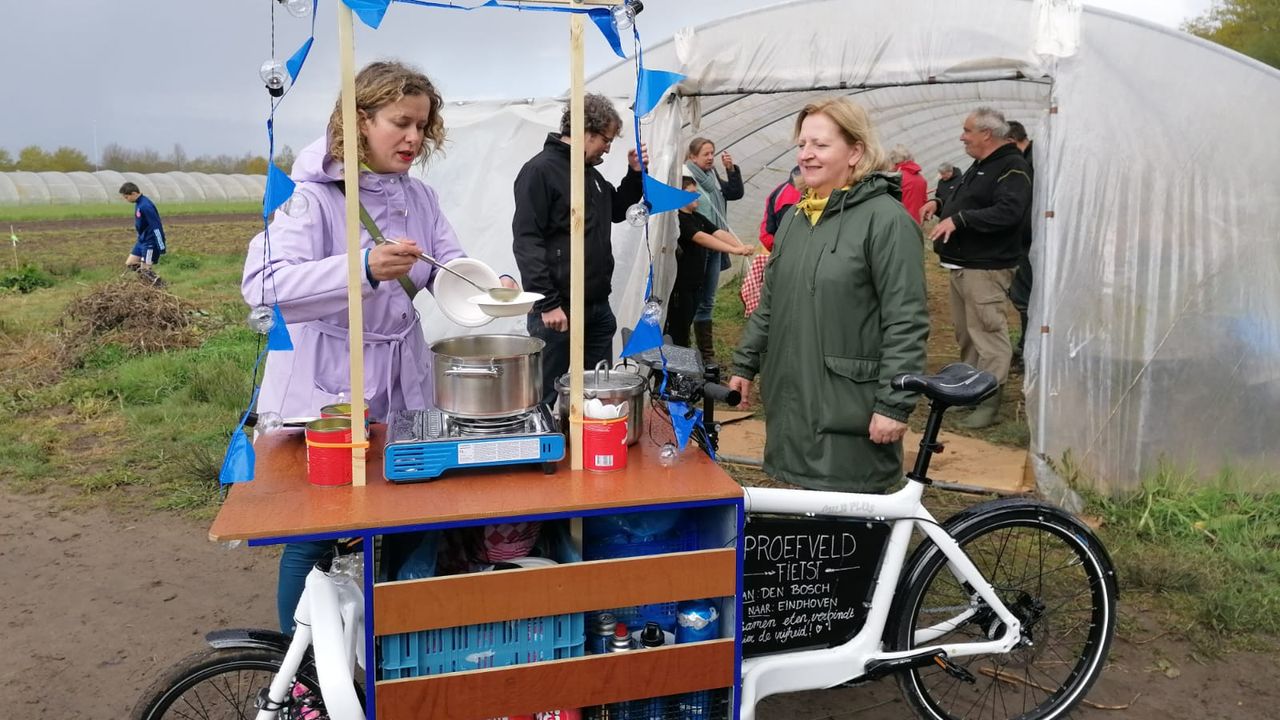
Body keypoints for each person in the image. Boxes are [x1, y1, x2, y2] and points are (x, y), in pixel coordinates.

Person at [240, 60, 516, 634]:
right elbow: (262, 287)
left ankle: (393, 640)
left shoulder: (421, 197)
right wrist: (361, 266)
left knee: (411, 508)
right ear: (360, 121)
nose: (414, 138)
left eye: (422, 126)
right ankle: (307, 671)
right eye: (400, 123)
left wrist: (490, 288)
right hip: (330, 384)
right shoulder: (311, 199)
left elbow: (445, 269)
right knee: (317, 531)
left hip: (402, 376)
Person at [728, 98, 929, 493]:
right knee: (810, 527)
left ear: (855, 151)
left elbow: (906, 320)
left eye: (820, 145)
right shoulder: (797, 219)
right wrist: (744, 364)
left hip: (847, 404)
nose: (806, 155)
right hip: (795, 397)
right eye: (802, 145)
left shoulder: (887, 221)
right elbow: (770, 304)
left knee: (851, 527)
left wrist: (893, 404)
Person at [512, 93, 646, 406]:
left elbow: (615, 210)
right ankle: (541, 455)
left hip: (597, 308)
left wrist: (635, 175)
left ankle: (588, 451)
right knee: (544, 393)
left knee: (597, 394)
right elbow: (526, 240)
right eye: (606, 140)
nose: (608, 148)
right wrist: (547, 303)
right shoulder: (540, 171)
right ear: (586, 131)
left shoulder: (592, 176)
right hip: (559, 308)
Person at [920, 107, 1032, 429]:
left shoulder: (1012, 168)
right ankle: (968, 390)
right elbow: (968, 197)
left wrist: (960, 219)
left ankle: (990, 397)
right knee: (967, 333)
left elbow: (1008, 212)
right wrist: (940, 205)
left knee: (988, 332)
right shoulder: (982, 165)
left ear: (986, 134)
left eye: (967, 130)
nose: (962, 136)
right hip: (962, 265)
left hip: (986, 267)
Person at [667, 176, 752, 346]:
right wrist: (734, 250)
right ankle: (675, 367)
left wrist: (740, 247)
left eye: (696, 192)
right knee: (679, 329)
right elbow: (702, 238)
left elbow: (718, 233)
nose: (696, 196)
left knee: (687, 325)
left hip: (695, 285)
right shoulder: (679, 220)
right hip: (681, 287)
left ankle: (688, 360)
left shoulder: (697, 218)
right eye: (691, 193)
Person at [684, 137, 744, 364]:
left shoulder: (711, 178)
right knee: (692, 300)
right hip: (697, 248)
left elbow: (734, 193)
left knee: (708, 299)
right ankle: (688, 355)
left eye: (712, 153)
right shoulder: (685, 179)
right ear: (692, 157)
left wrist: (731, 170)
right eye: (706, 154)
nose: (711, 158)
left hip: (715, 242)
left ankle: (707, 359)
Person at [743, 166, 802, 316]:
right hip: (790, 258)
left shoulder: (779, 191)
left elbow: (766, 234)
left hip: (780, 255)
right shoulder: (792, 197)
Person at [1006, 120, 1035, 365]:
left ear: (1012, 140)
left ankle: (1028, 348)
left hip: (1032, 242)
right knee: (1023, 296)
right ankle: (1026, 345)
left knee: (1027, 297)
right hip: (1025, 242)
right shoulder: (1027, 161)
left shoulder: (1035, 163)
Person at [119, 182, 166, 284]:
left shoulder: (146, 206)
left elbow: (156, 226)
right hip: (141, 240)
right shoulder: (139, 203)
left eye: (126, 197)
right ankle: (148, 281)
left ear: (134, 193)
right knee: (130, 263)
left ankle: (160, 285)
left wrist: (161, 245)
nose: (126, 200)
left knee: (145, 270)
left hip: (150, 242)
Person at [889, 145, 928, 223]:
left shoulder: (896, 178)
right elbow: (924, 202)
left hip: (901, 223)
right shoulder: (921, 178)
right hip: (917, 223)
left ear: (895, 161)